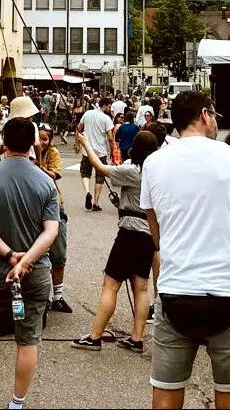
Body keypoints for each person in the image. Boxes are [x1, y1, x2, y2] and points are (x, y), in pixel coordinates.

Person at [141, 91, 230, 408]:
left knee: (166, 392)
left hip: (176, 290)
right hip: (228, 291)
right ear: (205, 115)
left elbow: (156, 229)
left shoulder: (153, 162)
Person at [0, 117, 60, 410]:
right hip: (36, 272)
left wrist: (9, 256)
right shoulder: (45, 181)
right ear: (33, 143)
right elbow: (51, 231)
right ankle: (16, 405)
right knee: (28, 339)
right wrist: (26, 261)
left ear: (3, 142)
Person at [73, 129, 162, 353]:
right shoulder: (157, 171)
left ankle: (94, 337)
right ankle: (137, 338)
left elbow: (100, 168)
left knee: (110, 284)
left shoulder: (133, 171)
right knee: (140, 288)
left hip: (129, 233)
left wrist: (86, 143)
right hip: (148, 235)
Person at [30, 115, 74, 314]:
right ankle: (41, 295)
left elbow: (54, 175)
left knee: (58, 254)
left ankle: (58, 296)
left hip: (55, 206)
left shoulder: (53, 153)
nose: (42, 142)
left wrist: (39, 161)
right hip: (34, 207)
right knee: (36, 254)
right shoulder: (27, 153)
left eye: (45, 138)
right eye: (39, 138)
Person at [79, 96, 114, 211]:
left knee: (85, 173)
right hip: (100, 152)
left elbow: (79, 128)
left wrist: (79, 142)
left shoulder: (88, 113)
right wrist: (112, 149)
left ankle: (88, 192)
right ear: (104, 106)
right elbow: (110, 137)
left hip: (87, 150)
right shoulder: (106, 119)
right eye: (109, 106)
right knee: (100, 176)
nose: (110, 109)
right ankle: (96, 202)